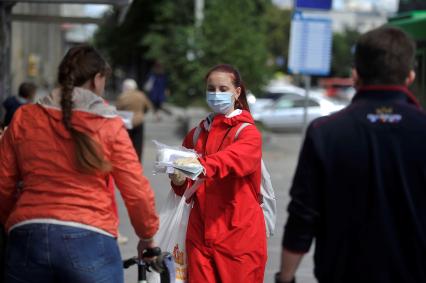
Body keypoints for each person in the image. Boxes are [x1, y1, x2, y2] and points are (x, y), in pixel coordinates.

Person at [276, 26, 426, 283]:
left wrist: (286, 277)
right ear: (409, 76)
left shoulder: (325, 132)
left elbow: (303, 215)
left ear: (356, 75)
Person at [0, 45, 159, 283]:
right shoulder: (109, 125)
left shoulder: (25, 117)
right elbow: (136, 191)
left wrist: (13, 223)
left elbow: (4, 182)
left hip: (28, 236)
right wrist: (146, 236)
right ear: (97, 79)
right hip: (90, 237)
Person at [168, 64, 267, 282]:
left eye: (223, 89)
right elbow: (185, 188)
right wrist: (178, 179)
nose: (216, 94)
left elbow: (234, 160)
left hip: (239, 236)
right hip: (200, 234)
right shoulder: (196, 134)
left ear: (237, 92)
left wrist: (200, 165)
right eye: (211, 88)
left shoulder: (247, 133)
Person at [116, 78, 152, 161]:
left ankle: (128, 160)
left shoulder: (122, 96)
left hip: (127, 123)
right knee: (138, 144)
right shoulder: (141, 95)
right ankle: (138, 161)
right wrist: (141, 113)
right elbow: (147, 107)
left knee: (127, 144)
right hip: (139, 121)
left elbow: (118, 109)